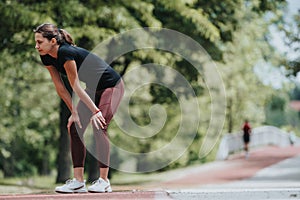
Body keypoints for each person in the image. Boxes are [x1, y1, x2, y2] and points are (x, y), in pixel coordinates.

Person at [34, 23, 124, 193]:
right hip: (92, 88)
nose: (36, 46)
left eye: (40, 42)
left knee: (99, 126)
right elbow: (60, 87)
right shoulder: (46, 56)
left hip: (112, 86)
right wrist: (74, 112)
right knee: (74, 126)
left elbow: (75, 86)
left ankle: (104, 181)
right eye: (36, 42)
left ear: (53, 41)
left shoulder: (66, 53)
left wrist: (96, 112)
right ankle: (78, 181)